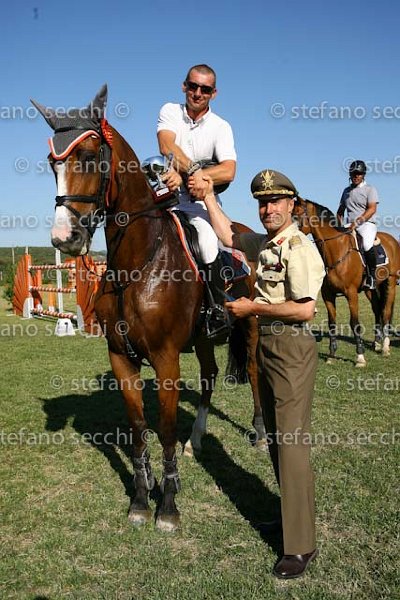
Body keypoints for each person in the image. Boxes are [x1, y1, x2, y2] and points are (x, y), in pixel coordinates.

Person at [202, 168, 325, 579]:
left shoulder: (298, 247)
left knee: (291, 443)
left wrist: (252, 308)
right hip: (268, 344)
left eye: (275, 201)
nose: (268, 208)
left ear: (291, 204)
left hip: (290, 346)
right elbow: (228, 235)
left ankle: (301, 546)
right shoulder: (268, 244)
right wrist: (208, 196)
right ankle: (291, 520)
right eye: (262, 202)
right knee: (276, 438)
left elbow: (305, 310)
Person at [156, 64, 237, 337]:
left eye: (205, 89)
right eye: (193, 86)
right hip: (164, 197)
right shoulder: (170, 111)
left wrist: (192, 178)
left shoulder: (221, 127)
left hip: (199, 203)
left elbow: (229, 170)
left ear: (214, 93)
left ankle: (216, 311)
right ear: (184, 86)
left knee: (206, 241)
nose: (198, 93)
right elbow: (166, 145)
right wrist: (191, 171)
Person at [337, 160, 379, 290]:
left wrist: (357, 222)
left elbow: (372, 209)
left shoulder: (370, 189)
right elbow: (340, 212)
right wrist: (339, 226)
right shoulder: (346, 191)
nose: (356, 176)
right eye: (353, 173)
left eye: (359, 174)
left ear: (363, 175)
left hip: (366, 223)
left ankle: (372, 277)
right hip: (349, 224)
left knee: (366, 244)